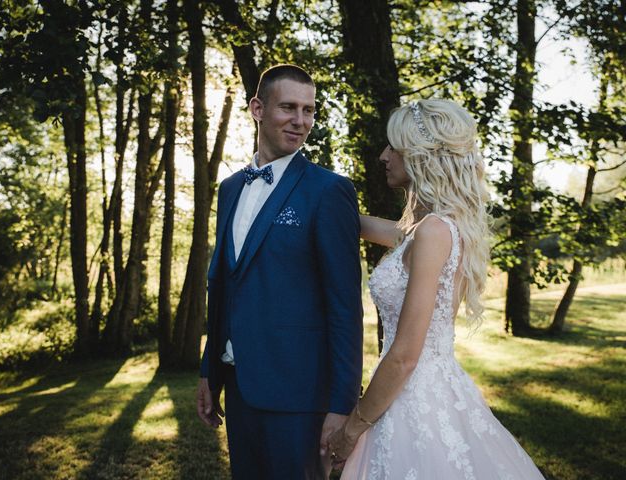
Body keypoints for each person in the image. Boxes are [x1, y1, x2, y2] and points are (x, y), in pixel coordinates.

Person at [328, 99, 546, 479]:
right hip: (427, 389)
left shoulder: (432, 231)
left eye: (393, 147)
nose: (383, 156)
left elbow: (405, 355)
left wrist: (353, 428)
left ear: (420, 156)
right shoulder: (435, 227)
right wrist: (313, 197)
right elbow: (369, 226)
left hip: (412, 396)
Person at [196, 64, 363, 480]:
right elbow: (222, 284)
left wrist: (342, 404)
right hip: (239, 386)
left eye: (309, 110)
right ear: (257, 108)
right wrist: (209, 370)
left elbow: (345, 307)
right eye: (288, 107)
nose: (300, 121)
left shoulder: (328, 191)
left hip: (300, 395)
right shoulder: (231, 188)